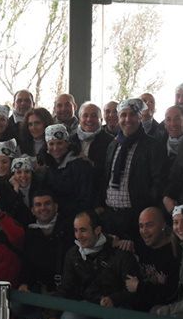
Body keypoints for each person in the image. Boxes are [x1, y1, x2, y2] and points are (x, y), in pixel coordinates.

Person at [44, 210, 138, 319]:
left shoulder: (120, 252)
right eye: (76, 230)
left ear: (97, 230)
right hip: (88, 305)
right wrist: (53, 314)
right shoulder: (73, 254)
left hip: (116, 307)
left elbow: (132, 291)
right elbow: (66, 287)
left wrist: (113, 299)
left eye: (83, 230)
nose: (78, 236)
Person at [114, 206, 180, 319]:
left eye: (149, 225)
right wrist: (122, 243)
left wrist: (140, 287)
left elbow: (171, 293)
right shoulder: (138, 245)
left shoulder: (175, 252)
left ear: (163, 225)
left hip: (163, 311)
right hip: (140, 310)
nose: (144, 231)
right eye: (141, 226)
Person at [100, 98, 166, 246]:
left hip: (137, 216)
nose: (127, 119)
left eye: (132, 115)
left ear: (140, 117)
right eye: (123, 115)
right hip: (111, 215)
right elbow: (106, 177)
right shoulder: (113, 144)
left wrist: (146, 207)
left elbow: (158, 181)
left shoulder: (153, 146)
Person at [38, 123, 94, 223]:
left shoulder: (80, 165)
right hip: (56, 220)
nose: (55, 148)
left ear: (67, 143)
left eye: (59, 143)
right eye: (51, 144)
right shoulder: (48, 167)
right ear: (46, 146)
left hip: (76, 219)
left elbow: (86, 199)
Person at [69, 102, 113, 203]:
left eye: (94, 116)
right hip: (73, 196)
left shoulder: (110, 142)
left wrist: (91, 163)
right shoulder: (70, 140)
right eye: (85, 115)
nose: (89, 119)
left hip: (99, 197)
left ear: (101, 120)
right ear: (79, 119)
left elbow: (110, 171)